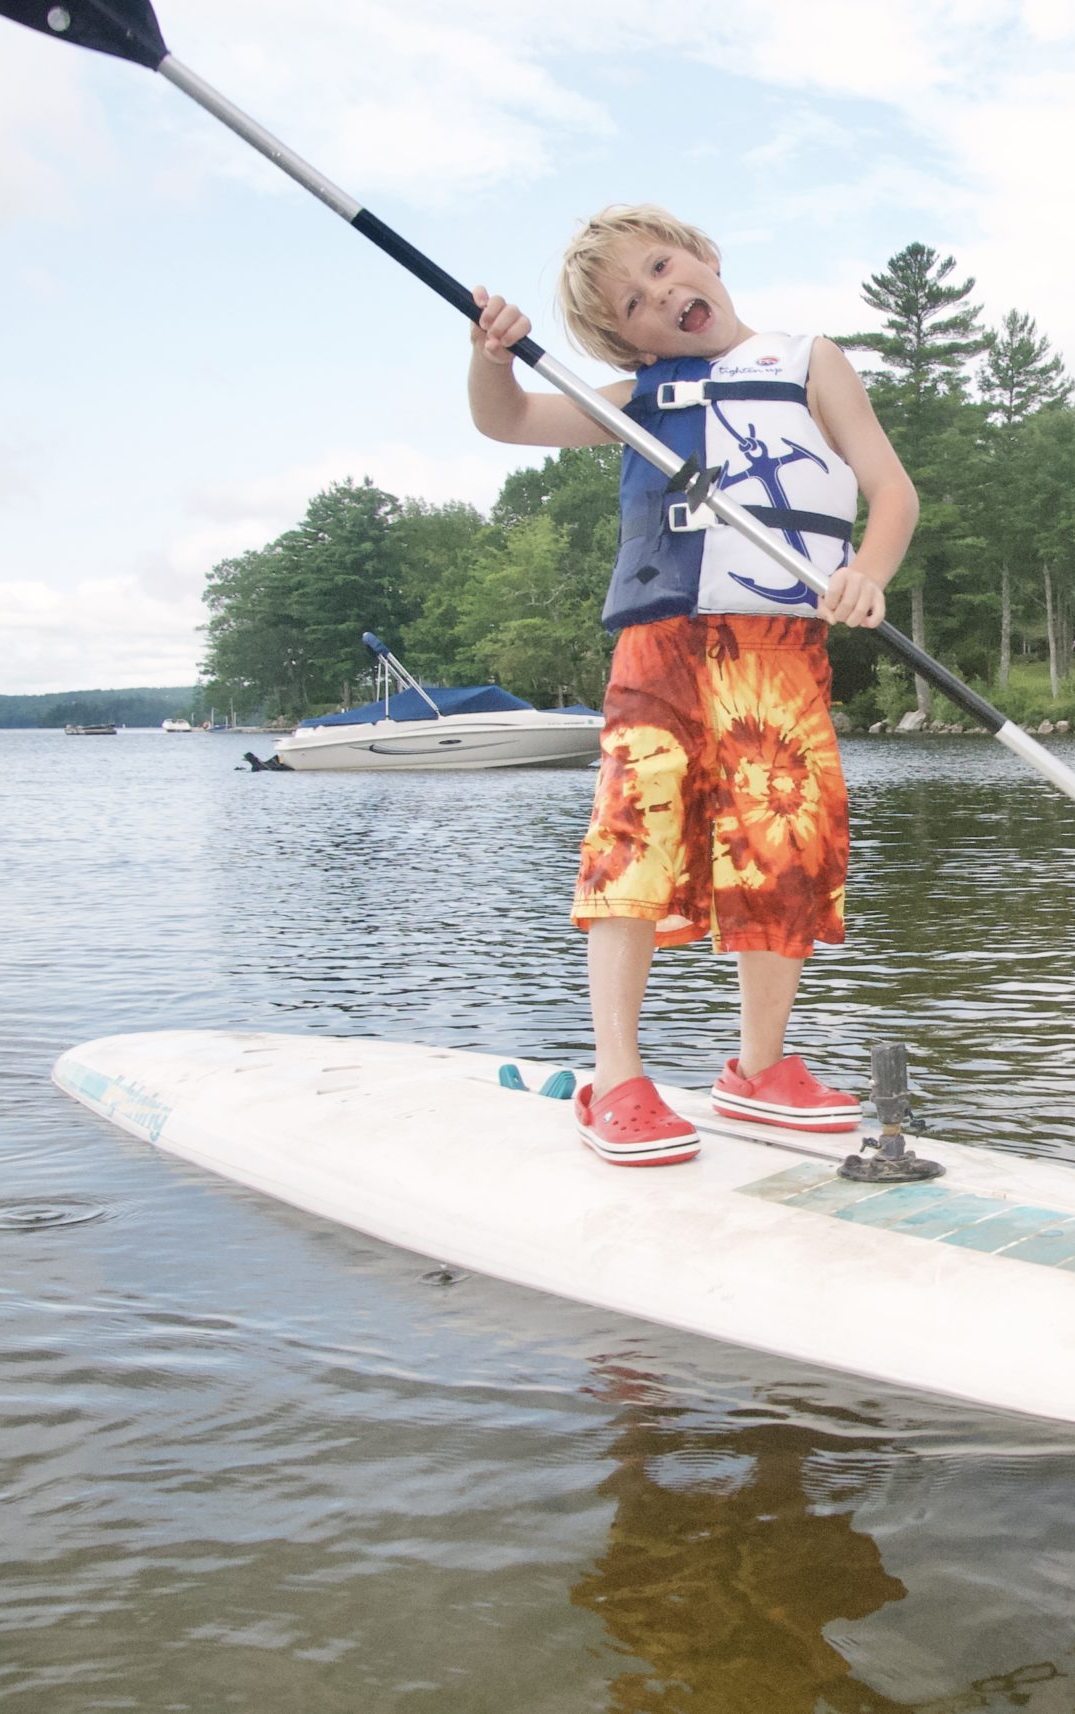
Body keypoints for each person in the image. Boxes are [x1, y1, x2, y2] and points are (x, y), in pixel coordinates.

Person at [466, 204, 916, 1167]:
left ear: (707, 256)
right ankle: (617, 1079)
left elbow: (892, 490)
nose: (665, 293)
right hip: (662, 642)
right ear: (625, 338)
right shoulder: (635, 399)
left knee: (784, 842)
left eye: (667, 265)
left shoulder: (810, 360)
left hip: (780, 643)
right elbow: (503, 421)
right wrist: (494, 355)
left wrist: (868, 571)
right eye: (637, 299)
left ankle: (757, 1070)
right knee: (636, 835)